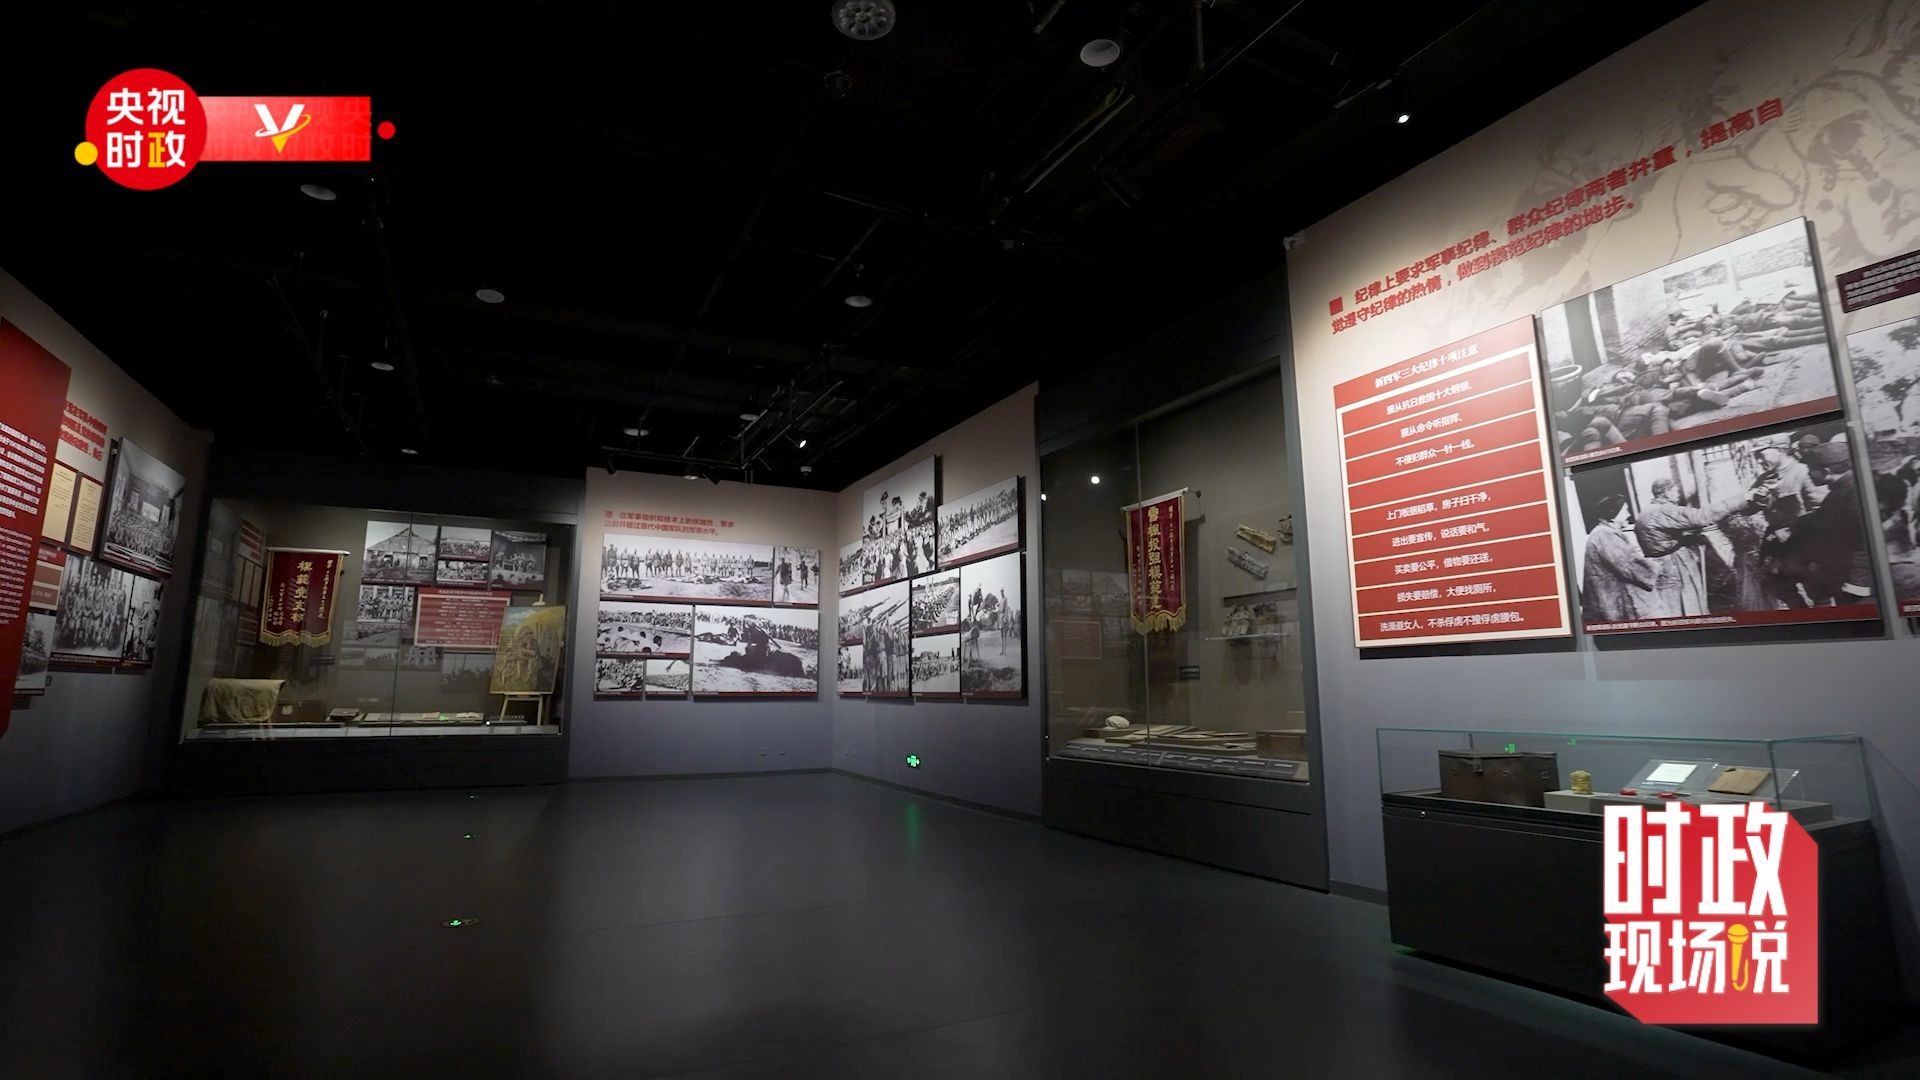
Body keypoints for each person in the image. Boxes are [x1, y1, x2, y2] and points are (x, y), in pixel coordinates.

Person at [1772, 440, 1875, 607]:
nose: (1808, 474)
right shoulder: (1841, 490)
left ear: (1826, 472)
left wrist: (1856, 583)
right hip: (1845, 574)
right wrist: (1791, 527)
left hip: (1856, 584)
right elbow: (1821, 517)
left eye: (1810, 470)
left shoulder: (1852, 494)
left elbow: (1864, 541)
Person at [1634, 478, 1755, 617]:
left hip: (1660, 566)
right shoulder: (1664, 510)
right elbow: (1701, 517)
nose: (1678, 493)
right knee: (1688, 604)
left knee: (1671, 606)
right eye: (1675, 490)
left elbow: (1661, 538)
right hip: (1675, 566)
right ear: (1666, 492)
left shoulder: (1645, 512)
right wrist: (1742, 500)